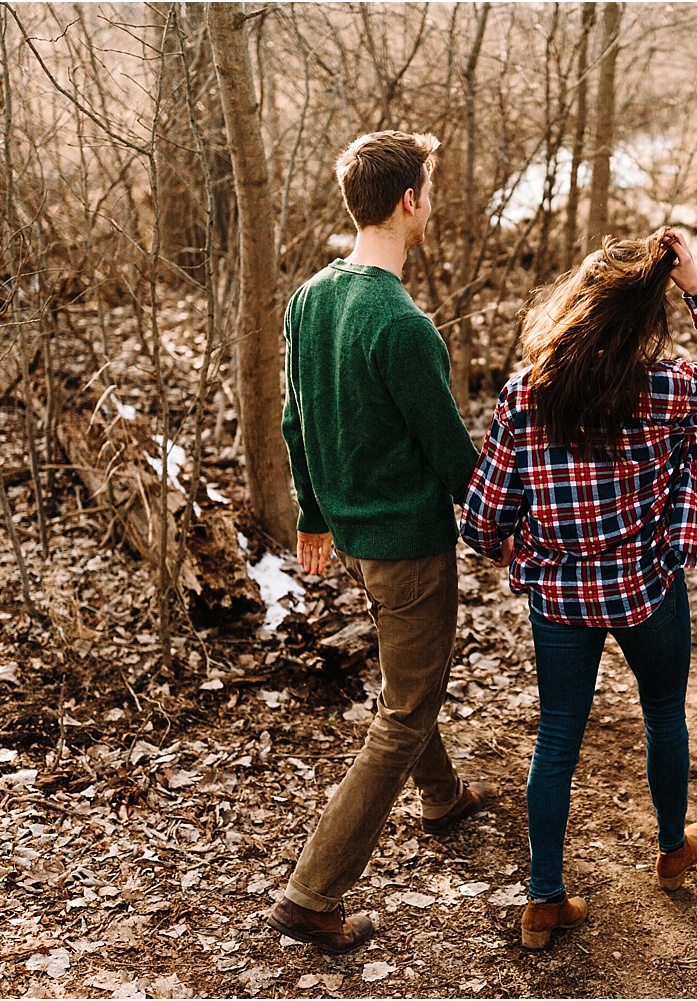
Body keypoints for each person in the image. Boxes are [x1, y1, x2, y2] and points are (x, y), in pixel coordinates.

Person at [460, 229, 697, 949]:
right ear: (641, 317)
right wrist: (694, 285)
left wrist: (508, 538)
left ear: (578, 303)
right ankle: (670, 849)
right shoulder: (664, 389)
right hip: (646, 587)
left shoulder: (525, 394)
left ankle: (543, 898)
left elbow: (480, 517)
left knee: (556, 736)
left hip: (559, 598)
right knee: (664, 713)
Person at [267, 130, 491, 954]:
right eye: (429, 187)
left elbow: (295, 419)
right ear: (409, 201)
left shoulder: (311, 298)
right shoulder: (400, 325)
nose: (432, 201)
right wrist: (507, 523)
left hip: (355, 534)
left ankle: (442, 799)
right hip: (404, 543)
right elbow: (452, 456)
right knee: (403, 711)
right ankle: (312, 892)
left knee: (410, 677)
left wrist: (314, 514)